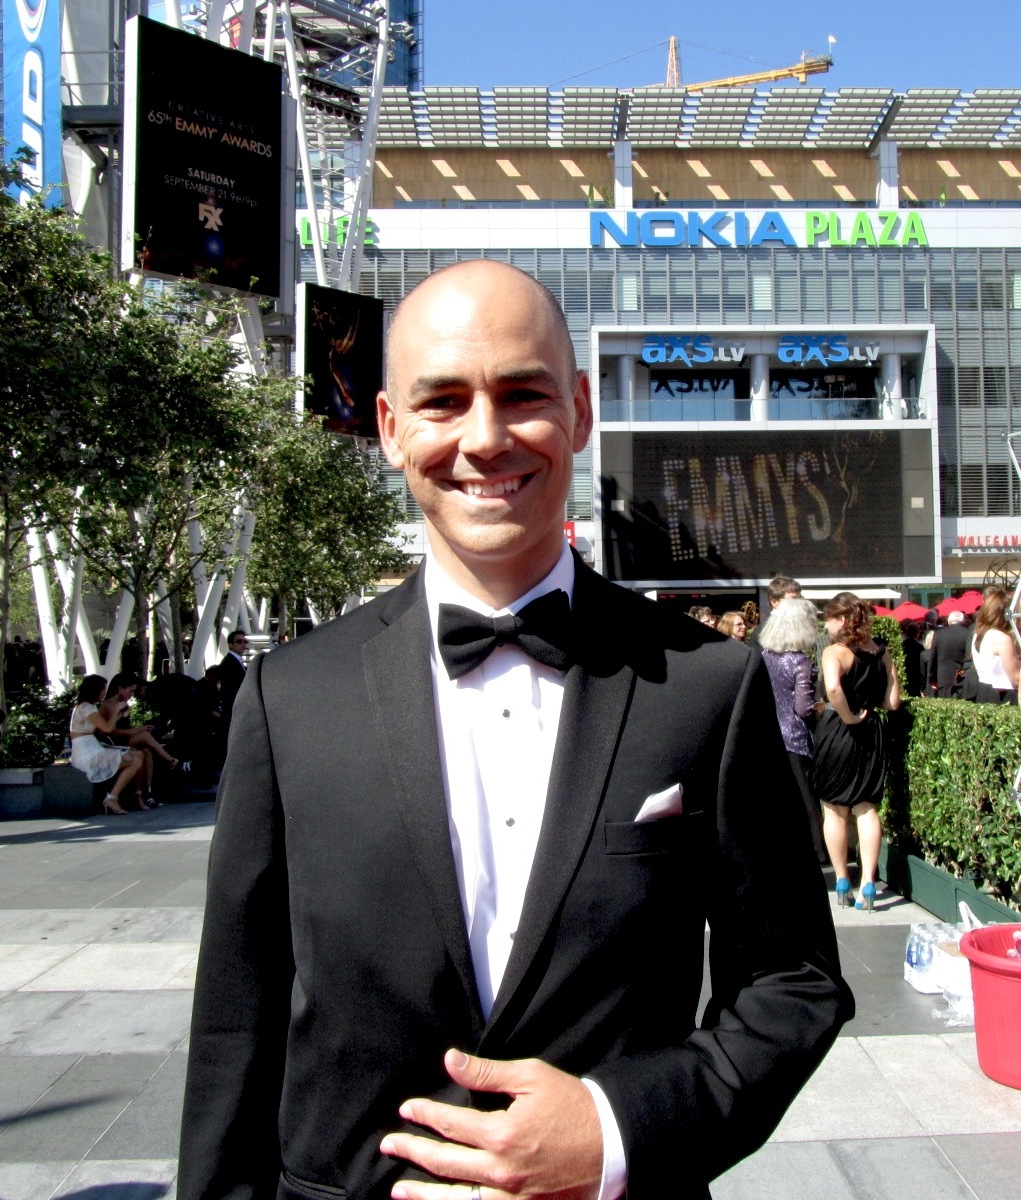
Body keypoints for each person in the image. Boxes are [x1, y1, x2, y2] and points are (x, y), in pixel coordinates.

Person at [178, 260, 851, 1200]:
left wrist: (617, 1129)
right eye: (442, 401)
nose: (484, 438)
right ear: (388, 428)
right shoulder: (287, 700)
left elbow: (793, 983)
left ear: (577, 409)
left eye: (522, 395)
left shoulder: (708, 685)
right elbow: (233, 1032)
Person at [813, 592, 900, 912]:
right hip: (871, 731)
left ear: (841, 619)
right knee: (867, 809)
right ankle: (868, 882)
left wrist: (847, 715)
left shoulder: (834, 652)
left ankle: (841, 880)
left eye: (828, 618)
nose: (826, 624)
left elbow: (833, 688)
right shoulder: (882, 652)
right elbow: (893, 702)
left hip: (838, 730)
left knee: (834, 810)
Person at [758, 597, 827, 863]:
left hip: (770, 736)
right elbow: (803, 708)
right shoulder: (799, 662)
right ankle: (817, 853)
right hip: (796, 737)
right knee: (807, 800)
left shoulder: (764, 657)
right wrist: (821, 708)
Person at [69, 674, 145, 815]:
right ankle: (112, 798)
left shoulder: (84, 707)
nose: (104, 693)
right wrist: (116, 711)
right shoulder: (87, 708)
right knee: (135, 760)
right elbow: (107, 728)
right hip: (87, 752)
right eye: (102, 690)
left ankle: (117, 797)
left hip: (90, 747)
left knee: (137, 758)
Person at [970, 587, 1019, 705]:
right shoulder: (1002, 639)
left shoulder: (978, 634)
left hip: (983, 691)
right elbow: (1016, 678)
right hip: (1003, 696)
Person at [927, 610, 970, 697]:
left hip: (943, 677)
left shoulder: (939, 634)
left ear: (948, 621)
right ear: (962, 621)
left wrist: (932, 678)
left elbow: (933, 656)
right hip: (964, 677)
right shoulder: (968, 633)